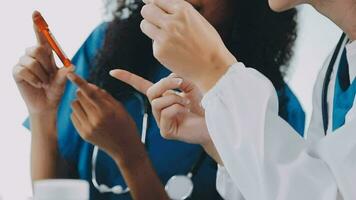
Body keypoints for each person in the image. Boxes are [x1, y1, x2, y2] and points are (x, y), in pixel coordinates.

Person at [13, 1, 303, 200]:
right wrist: (42, 114)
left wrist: (132, 158)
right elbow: (53, 190)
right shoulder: (104, 46)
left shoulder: (273, 105)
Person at [121, 0, 355, 199]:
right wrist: (220, 138)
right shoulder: (334, 70)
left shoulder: (287, 101)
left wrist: (215, 71)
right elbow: (310, 185)